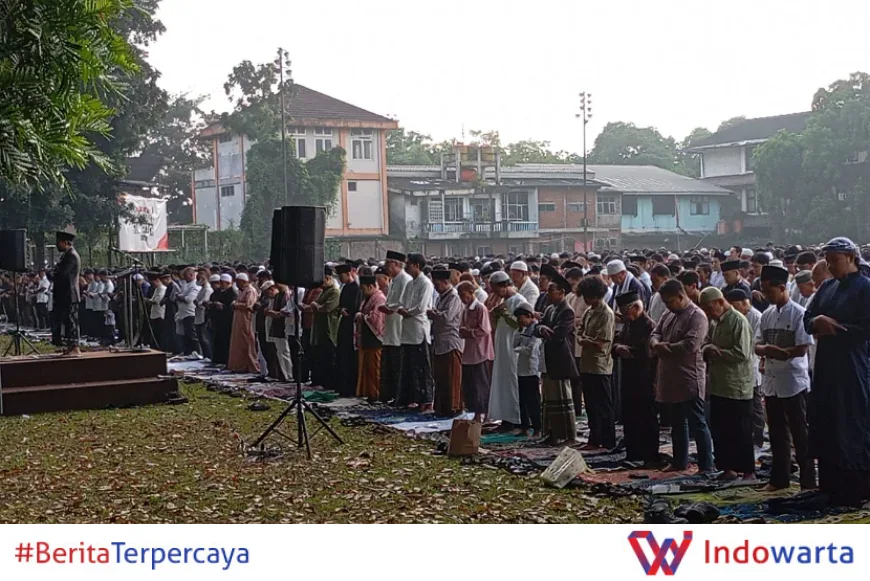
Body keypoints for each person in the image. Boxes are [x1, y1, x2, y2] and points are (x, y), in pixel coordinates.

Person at [803, 237, 870, 506]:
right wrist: (817, 321)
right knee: (827, 421)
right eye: (828, 261)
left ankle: (856, 488)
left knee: (851, 423)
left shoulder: (865, 287)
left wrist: (838, 328)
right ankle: (830, 484)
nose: (830, 266)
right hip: (826, 364)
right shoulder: (827, 287)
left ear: (850, 258)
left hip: (852, 365)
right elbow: (807, 317)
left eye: (835, 261)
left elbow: (865, 328)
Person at [757, 265, 816, 491]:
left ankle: (808, 481)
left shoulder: (799, 313)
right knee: (777, 433)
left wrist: (781, 352)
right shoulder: (767, 315)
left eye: (769, 291)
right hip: (772, 382)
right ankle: (779, 479)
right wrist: (766, 350)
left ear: (782, 288)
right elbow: (757, 344)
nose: (766, 296)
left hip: (793, 382)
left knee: (800, 434)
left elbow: (802, 348)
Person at [650, 279, 713, 473]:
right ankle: (679, 461)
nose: (668, 305)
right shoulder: (668, 313)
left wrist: (665, 347)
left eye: (670, 301)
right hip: (669, 377)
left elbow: (690, 345)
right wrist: (656, 344)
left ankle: (706, 465)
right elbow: (655, 333)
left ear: (680, 296)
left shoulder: (697, 316)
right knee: (677, 423)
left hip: (688, 377)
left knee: (697, 423)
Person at [699, 287, 756, 481]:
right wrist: (708, 348)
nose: (708, 313)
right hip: (718, 384)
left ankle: (748, 471)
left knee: (741, 430)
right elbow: (705, 342)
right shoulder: (714, 322)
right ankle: (727, 468)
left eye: (709, 308)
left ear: (720, 302)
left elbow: (742, 353)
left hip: (736, 386)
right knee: (721, 430)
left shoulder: (738, 321)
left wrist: (719, 352)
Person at [613, 290, 659, 465]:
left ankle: (649, 455)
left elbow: (647, 352)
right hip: (629, 376)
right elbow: (617, 340)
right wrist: (618, 347)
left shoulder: (648, 325)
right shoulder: (629, 324)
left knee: (646, 416)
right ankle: (633, 453)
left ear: (635, 308)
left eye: (626, 312)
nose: (624, 316)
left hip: (645, 377)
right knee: (630, 415)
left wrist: (628, 350)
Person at [536, 274, 579, 444]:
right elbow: (538, 327)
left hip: (561, 359)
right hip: (549, 359)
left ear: (561, 292)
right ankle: (552, 433)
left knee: (562, 398)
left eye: (551, 291)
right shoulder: (549, 309)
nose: (548, 294)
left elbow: (558, 334)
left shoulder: (567, 311)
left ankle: (567, 435)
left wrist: (545, 330)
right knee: (549, 399)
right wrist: (542, 329)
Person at [576, 275, 616, 451]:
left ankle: (608, 440)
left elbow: (601, 344)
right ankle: (594, 438)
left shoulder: (606, 314)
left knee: (603, 405)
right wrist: (585, 339)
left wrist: (586, 340)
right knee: (591, 405)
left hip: (600, 366)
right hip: (587, 364)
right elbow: (580, 333)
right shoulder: (589, 311)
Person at [488, 270, 529, 429]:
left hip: (513, 348)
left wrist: (504, 313)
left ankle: (515, 418)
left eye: (496, 289)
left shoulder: (519, 300)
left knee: (512, 381)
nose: (495, 294)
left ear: (504, 286)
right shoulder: (504, 301)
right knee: (502, 381)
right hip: (502, 347)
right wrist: (495, 314)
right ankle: (505, 417)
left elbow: (520, 324)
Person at [726, 288, 765, 448]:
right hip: (739, 368)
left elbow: (753, 345)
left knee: (756, 405)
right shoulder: (736, 317)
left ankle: (758, 437)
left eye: (735, 306)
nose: (734, 309)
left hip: (752, 365)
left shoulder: (756, 317)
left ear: (744, 302)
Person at [396, 253, 435, 411]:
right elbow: (401, 302)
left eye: (408, 264)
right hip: (407, 330)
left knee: (422, 369)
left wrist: (408, 312)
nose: (406, 267)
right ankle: (412, 399)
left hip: (419, 330)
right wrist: (402, 309)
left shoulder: (426, 283)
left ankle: (426, 400)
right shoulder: (410, 284)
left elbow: (421, 307)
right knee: (409, 368)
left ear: (417, 265)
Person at [429, 270, 464, 416]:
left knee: (451, 377)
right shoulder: (440, 297)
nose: (436, 288)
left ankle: (453, 407)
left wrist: (434, 314)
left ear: (445, 282)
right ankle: (441, 407)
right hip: (439, 341)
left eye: (437, 285)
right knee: (441, 377)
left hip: (451, 341)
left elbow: (447, 318)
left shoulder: (454, 297)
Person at [458, 281, 494, 423]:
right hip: (469, 352)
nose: (462, 298)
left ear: (471, 292)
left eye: (464, 295)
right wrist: (463, 332)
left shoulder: (480, 308)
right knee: (471, 385)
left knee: (481, 384)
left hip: (481, 352)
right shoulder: (466, 309)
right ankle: (475, 413)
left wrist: (470, 332)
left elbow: (485, 330)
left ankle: (485, 414)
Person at [379, 251, 411, 404]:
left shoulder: (405, 280)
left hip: (399, 329)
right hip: (390, 329)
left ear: (397, 264)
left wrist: (389, 308)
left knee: (399, 367)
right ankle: (391, 396)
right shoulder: (394, 280)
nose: (386, 267)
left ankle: (400, 397)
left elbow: (404, 303)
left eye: (388, 264)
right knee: (390, 367)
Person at [50, 231, 81, 356]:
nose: (58, 245)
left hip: (70, 293)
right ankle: (69, 345)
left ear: (65, 242)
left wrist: (53, 273)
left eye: (59, 243)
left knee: (72, 321)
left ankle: (74, 346)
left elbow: (62, 274)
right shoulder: (65, 255)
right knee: (66, 321)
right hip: (64, 294)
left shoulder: (71, 256)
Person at [309, 266, 340, 390]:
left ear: (327, 278)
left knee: (328, 358)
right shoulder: (323, 291)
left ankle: (329, 383)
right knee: (320, 357)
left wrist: (316, 306)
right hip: (319, 329)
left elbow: (327, 308)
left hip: (329, 329)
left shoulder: (334, 292)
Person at [355, 275, 386, 401]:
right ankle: (369, 393)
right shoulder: (368, 298)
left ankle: (376, 394)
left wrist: (362, 316)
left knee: (375, 369)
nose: (362, 292)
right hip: (366, 337)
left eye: (363, 289)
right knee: (367, 368)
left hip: (375, 339)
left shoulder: (379, 298)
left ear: (370, 286)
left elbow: (376, 318)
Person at [514, 303, 542, 437]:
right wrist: (518, 333)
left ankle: (537, 428)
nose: (520, 321)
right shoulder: (523, 329)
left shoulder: (536, 329)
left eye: (521, 318)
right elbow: (515, 343)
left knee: (533, 401)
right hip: (521, 369)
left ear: (529, 316)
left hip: (531, 370)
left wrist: (518, 349)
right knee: (522, 400)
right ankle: (524, 426)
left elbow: (531, 349)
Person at [336, 264, 362, 397]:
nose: (340, 279)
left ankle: (351, 388)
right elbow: (340, 305)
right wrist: (341, 310)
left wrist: (349, 312)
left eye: (342, 276)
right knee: (342, 355)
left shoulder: (357, 289)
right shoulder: (345, 288)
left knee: (350, 357)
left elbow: (357, 307)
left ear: (348, 274)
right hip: (344, 323)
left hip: (352, 324)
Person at [227, 273, 260, 374]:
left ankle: (252, 366)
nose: (237, 284)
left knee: (248, 342)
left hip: (246, 320)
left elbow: (249, 306)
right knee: (239, 344)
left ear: (243, 281)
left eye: (238, 282)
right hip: (239, 321)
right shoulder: (242, 291)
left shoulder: (250, 291)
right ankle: (240, 365)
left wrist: (235, 304)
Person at [207, 274, 237, 366]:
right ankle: (217, 360)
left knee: (225, 341)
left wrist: (223, 306)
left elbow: (231, 306)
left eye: (223, 283)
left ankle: (225, 360)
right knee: (217, 341)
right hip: (217, 320)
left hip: (226, 320)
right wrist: (213, 304)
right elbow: (212, 300)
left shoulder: (232, 293)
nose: (221, 284)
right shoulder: (217, 292)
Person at [175, 267, 202, 358]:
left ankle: (196, 352)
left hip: (190, 313)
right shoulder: (186, 285)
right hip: (183, 313)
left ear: (191, 275)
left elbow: (189, 299)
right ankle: (188, 352)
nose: (184, 278)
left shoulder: (195, 285)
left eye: (186, 276)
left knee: (192, 335)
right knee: (185, 335)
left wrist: (180, 297)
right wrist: (180, 296)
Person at [196, 274, 217, 360]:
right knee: (201, 337)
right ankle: (205, 355)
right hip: (199, 314)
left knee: (205, 338)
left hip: (204, 314)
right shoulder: (202, 289)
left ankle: (208, 356)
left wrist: (198, 303)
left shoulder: (208, 289)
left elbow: (205, 302)